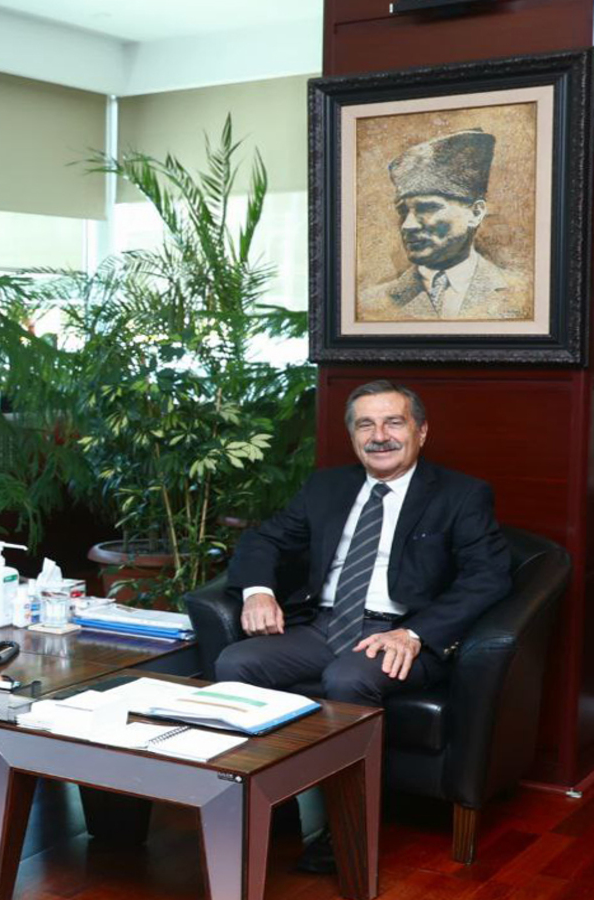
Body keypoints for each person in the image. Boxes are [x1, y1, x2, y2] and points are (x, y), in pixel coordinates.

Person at [216, 380, 511, 872]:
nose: (379, 436)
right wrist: (258, 591)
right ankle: (273, 811)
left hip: (401, 634)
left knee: (348, 678)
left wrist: (415, 634)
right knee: (236, 662)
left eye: (394, 422)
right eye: (365, 425)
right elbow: (264, 539)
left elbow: (488, 577)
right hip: (324, 624)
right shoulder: (326, 487)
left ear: (421, 431)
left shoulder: (460, 494)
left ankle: (347, 825)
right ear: (352, 435)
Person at [357, 129, 530, 321]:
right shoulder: (370, 303)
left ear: (475, 213)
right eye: (403, 211)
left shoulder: (524, 295)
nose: (408, 225)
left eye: (427, 208)